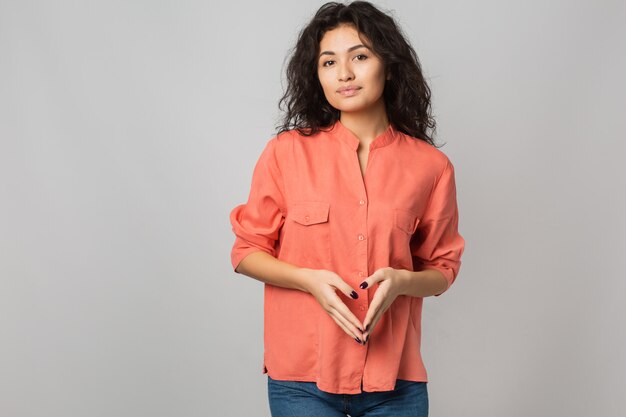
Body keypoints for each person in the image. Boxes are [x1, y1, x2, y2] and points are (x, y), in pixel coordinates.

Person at [228, 1, 465, 416]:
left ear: (388, 67)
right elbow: (246, 252)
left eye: (360, 56)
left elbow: (442, 270)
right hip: (302, 378)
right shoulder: (285, 154)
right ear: (316, 74)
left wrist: (401, 281)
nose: (344, 74)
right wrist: (308, 280)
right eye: (328, 62)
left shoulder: (431, 167)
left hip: (395, 381)